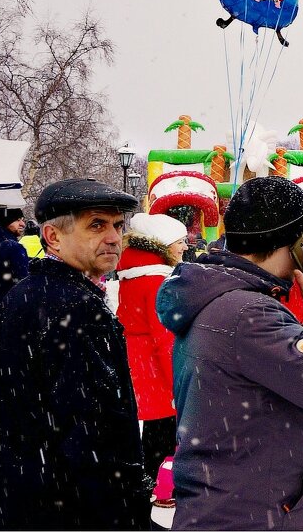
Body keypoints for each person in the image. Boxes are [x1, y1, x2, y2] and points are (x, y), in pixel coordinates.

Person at [155, 175, 303, 530]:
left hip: (232, 508)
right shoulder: (248, 314)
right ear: (294, 242)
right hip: (249, 517)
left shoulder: (222, 298)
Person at [0, 178, 149, 530]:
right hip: (70, 507)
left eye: (117, 225)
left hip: (23, 497)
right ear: (53, 236)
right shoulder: (76, 308)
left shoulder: (26, 294)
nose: (113, 237)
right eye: (96, 225)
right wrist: (124, 509)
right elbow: (93, 433)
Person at [114, 212, 189, 507]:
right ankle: (161, 490)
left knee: (154, 435)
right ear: (164, 244)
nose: (184, 246)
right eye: (180, 241)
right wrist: (176, 383)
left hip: (140, 364)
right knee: (165, 436)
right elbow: (165, 339)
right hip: (157, 371)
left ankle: (146, 486)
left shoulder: (135, 275)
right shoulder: (158, 280)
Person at [0, 206, 29, 329]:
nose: (22, 224)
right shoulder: (12, 247)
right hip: (6, 313)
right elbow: (23, 282)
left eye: (22, 219)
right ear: (5, 221)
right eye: (17, 220)